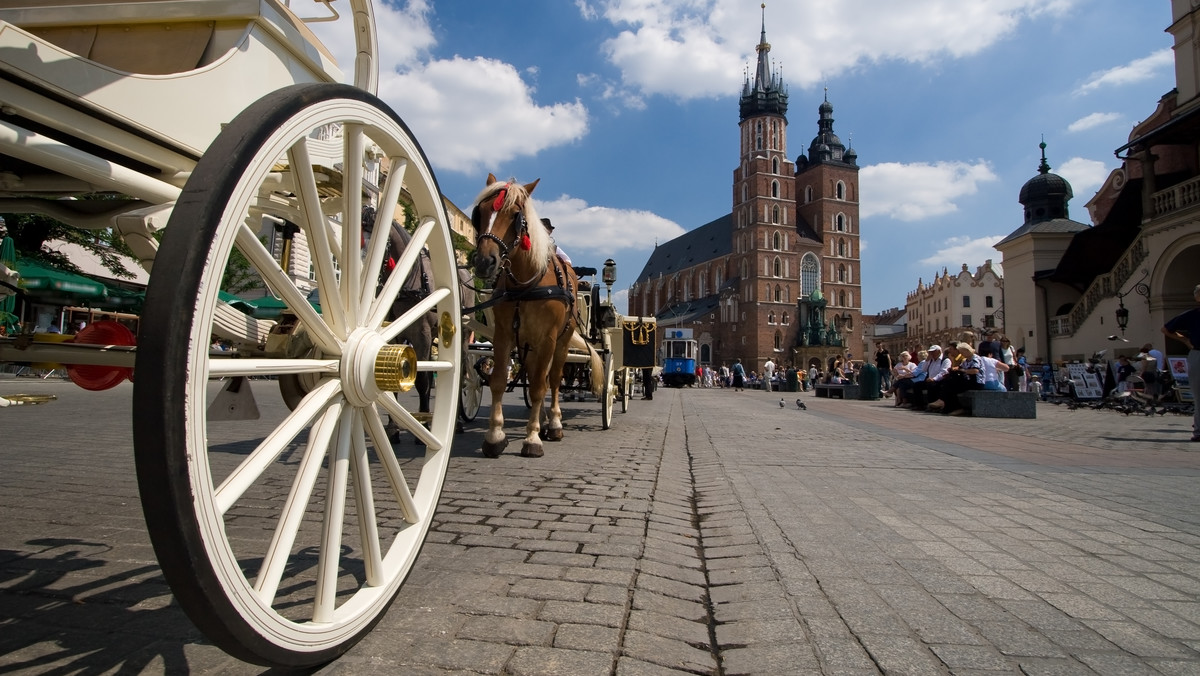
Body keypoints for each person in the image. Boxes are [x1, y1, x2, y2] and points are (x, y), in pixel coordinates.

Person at [1162, 284, 1200, 441]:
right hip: (1198, 353)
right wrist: (1184, 340)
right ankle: (1199, 431)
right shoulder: (1192, 315)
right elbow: (1166, 329)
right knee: (1199, 395)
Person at [912, 345, 951, 409]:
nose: (931, 353)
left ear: (939, 351)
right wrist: (927, 360)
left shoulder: (945, 360)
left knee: (931, 386)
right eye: (930, 352)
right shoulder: (931, 360)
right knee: (917, 385)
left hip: (939, 380)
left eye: (933, 352)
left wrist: (934, 379)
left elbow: (943, 372)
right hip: (929, 380)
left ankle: (932, 404)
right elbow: (924, 369)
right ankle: (919, 405)